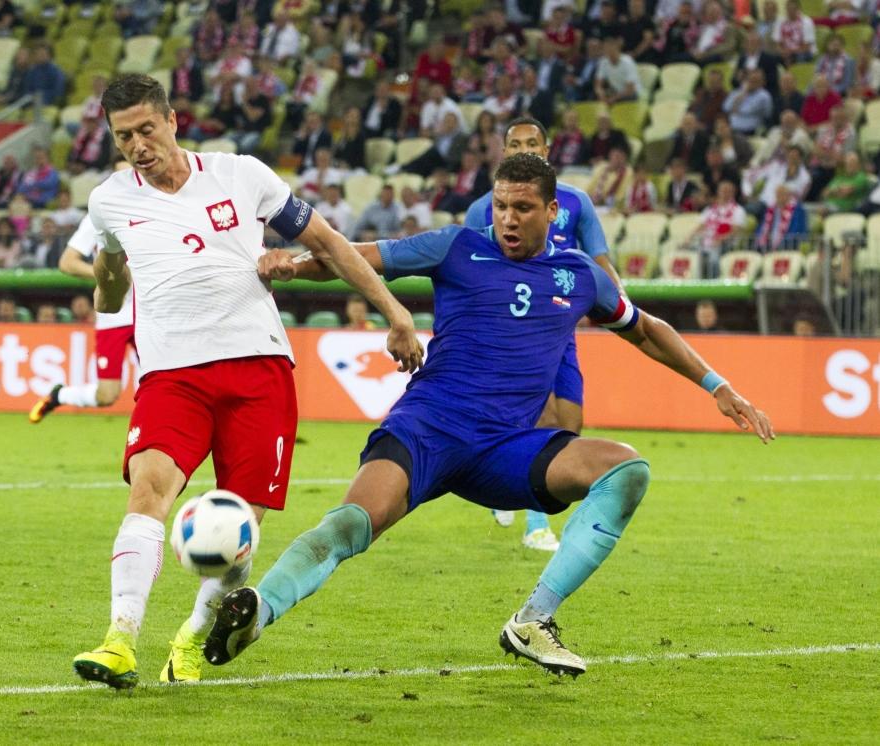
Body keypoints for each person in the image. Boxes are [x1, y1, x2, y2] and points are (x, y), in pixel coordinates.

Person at [203, 153, 774, 678]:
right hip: (427, 428)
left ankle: (533, 620)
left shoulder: (580, 276)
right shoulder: (456, 247)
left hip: (506, 447)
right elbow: (358, 257)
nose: (508, 218)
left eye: (523, 207)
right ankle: (258, 612)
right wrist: (293, 264)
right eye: (501, 205)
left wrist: (718, 386)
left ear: (553, 211)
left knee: (627, 470)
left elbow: (646, 329)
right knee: (351, 524)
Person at [70, 73, 423, 690]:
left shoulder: (241, 174)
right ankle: (119, 639)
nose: (137, 146)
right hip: (171, 373)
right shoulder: (109, 202)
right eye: (123, 137)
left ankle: (189, 639)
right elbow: (111, 283)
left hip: (257, 367)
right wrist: (106, 283)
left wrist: (394, 312)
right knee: (150, 488)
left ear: (173, 120)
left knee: (242, 519)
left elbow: (329, 244)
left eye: (146, 130)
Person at [464, 118, 622, 552]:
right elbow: (469, 264)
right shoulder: (483, 207)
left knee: (569, 425)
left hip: (560, 327)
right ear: (503, 151)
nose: (522, 150)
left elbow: (600, 259)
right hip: (510, 330)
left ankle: (501, 482)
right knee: (541, 418)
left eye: (531, 143)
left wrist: (620, 302)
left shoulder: (575, 202)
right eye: (514, 144)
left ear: (547, 150)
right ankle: (537, 524)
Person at [30, 165, 138, 422]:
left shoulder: (156, 211)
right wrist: (105, 276)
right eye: (120, 175)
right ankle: (59, 396)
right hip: (113, 315)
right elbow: (67, 262)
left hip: (151, 313)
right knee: (107, 395)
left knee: (162, 383)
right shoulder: (97, 217)